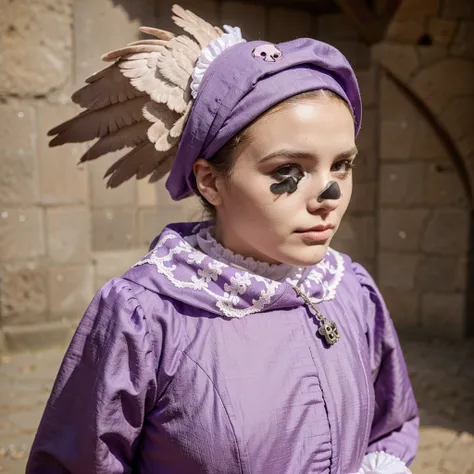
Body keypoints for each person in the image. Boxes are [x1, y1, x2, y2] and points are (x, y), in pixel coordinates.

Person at [26, 4, 419, 473]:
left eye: (342, 164)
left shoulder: (351, 289)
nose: (329, 195)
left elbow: (391, 427)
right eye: (289, 170)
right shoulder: (143, 318)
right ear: (210, 181)